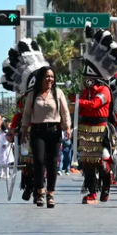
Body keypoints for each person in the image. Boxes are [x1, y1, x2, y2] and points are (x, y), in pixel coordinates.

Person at [78, 23, 117, 205]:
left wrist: (78, 104)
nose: (85, 81)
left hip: (101, 129)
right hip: (85, 129)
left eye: (88, 78)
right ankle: (92, 193)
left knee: (102, 161)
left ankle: (105, 186)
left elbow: (94, 105)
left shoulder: (104, 90)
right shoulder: (85, 91)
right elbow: (84, 107)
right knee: (88, 165)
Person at [1, 38, 49, 202]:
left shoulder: (51, 97)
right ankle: (29, 187)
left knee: (41, 163)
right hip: (27, 135)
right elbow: (18, 116)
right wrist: (13, 129)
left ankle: (39, 191)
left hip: (45, 133)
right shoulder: (23, 99)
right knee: (28, 164)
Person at [21, 67, 71, 208]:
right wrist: (24, 130)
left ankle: (50, 194)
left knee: (52, 163)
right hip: (37, 130)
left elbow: (65, 112)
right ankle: (40, 192)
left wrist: (67, 127)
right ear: (41, 78)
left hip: (54, 130)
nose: (50, 79)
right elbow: (26, 113)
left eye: (52, 77)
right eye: (47, 76)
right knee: (38, 161)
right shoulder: (32, 94)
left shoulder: (58, 93)